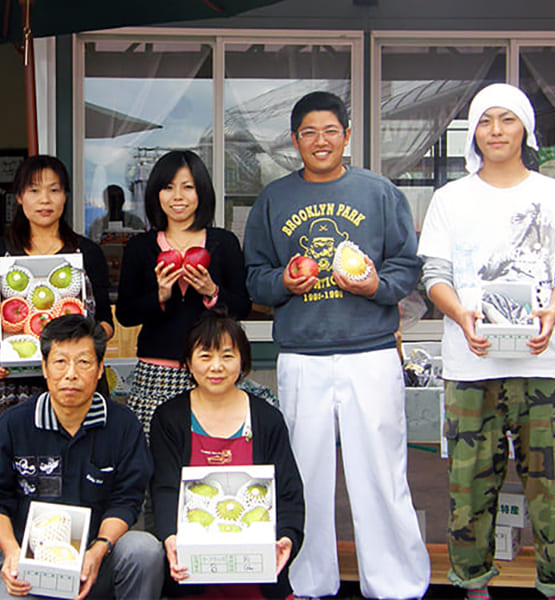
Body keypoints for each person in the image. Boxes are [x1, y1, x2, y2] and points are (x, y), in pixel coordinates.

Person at [242, 91, 430, 600]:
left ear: (347, 135)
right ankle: (306, 580)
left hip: (369, 350)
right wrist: (284, 281)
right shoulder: (274, 200)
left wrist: (375, 287)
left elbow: (406, 266)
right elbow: (254, 279)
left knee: (382, 471)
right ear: (294, 140)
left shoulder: (379, 193)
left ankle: (396, 585)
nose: (319, 141)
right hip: (302, 353)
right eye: (308, 132)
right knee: (304, 472)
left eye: (330, 130)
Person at [417, 83, 555, 600]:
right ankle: (473, 585)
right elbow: (435, 275)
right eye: (486, 120)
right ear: (473, 131)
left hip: (543, 365)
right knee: (469, 486)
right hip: (471, 366)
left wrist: (552, 312)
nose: (496, 130)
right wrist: (461, 315)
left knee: (552, 484)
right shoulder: (451, 199)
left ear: (525, 129)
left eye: (508, 120)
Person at [0, 314, 165, 600]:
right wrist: (13, 552)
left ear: (100, 368)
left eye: (84, 362)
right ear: (45, 367)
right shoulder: (13, 425)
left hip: (97, 558)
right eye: (60, 361)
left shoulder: (123, 425)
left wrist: (99, 549)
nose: (71, 374)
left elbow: (127, 500)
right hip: (30, 565)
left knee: (144, 550)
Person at [150, 309, 305, 599]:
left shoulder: (267, 419)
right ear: (188, 362)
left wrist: (286, 539)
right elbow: (165, 488)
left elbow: (288, 491)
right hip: (192, 571)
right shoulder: (169, 418)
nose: (216, 367)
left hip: (257, 571)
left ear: (243, 361)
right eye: (205, 356)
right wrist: (170, 539)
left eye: (227, 355)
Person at [0, 154, 114, 439]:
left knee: (85, 468)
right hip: (14, 384)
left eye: (54, 190)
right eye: (34, 190)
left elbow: (106, 323)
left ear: (65, 197)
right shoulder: (0, 254)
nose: (45, 200)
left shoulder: (87, 253)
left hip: (77, 382)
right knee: (16, 471)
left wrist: (87, 340)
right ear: (19, 197)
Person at [116, 150, 251, 438]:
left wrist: (212, 292)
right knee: (156, 463)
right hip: (156, 373)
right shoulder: (141, 247)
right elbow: (126, 314)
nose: (178, 196)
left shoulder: (223, 243)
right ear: (156, 194)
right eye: (168, 187)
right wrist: (160, 295)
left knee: (210, 457)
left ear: (201, 191)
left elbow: (242, 307)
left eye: (187, 187)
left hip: (212, 370)